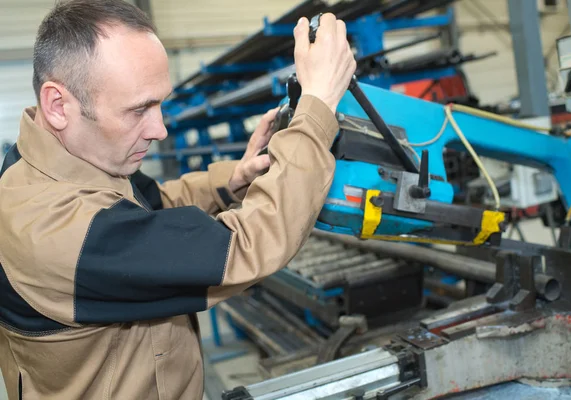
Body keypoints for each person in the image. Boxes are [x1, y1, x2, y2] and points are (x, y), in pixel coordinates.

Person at [0, 0, 356, 399]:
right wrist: (318, 108)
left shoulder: (65, 164)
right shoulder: (54, 230)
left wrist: (230, 183)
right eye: (139, 110)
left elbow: (147, 210)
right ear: (58, 105)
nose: (160, 130)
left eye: (159, 104)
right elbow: (246, 246)